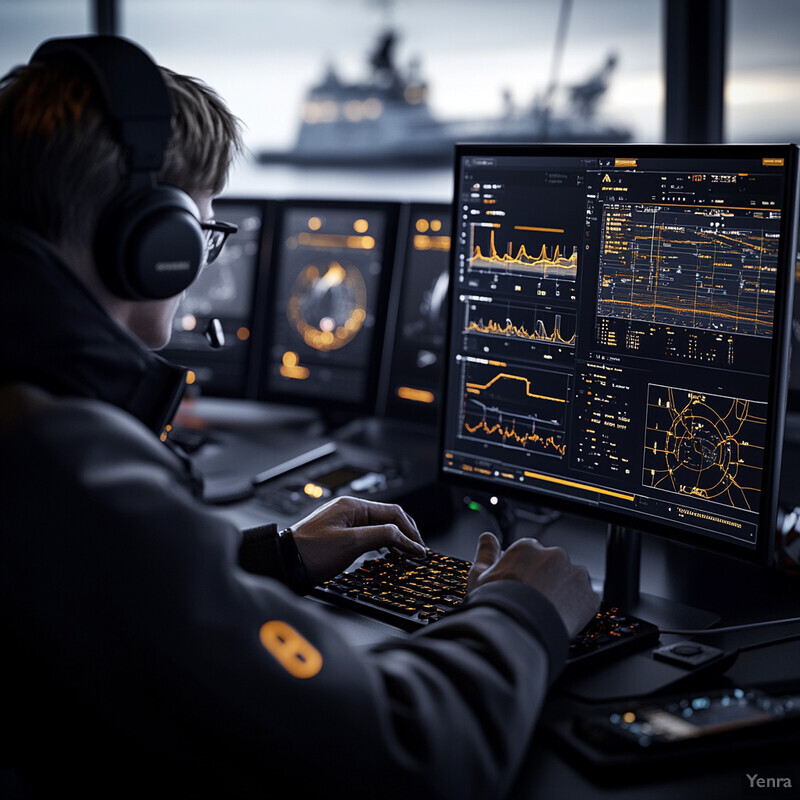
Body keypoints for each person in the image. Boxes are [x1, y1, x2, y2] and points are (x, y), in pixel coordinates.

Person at [0, 34, 599, 799]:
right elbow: (401, 753)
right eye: (204, 234)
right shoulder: (59, 454)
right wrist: (524, 612)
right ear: (154, 246)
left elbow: (97, 593)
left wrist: (263, 561)